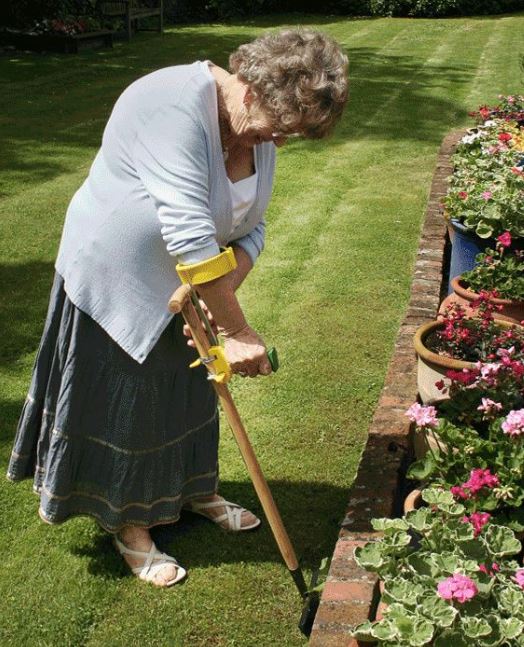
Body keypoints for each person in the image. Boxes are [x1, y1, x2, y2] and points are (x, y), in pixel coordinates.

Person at [6, 28, 348, 587]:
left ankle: (192, 492)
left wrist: (224, 296)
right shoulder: (169, 104)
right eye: (282, 128)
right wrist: (236, 331)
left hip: (196, 285)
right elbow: (190, 233)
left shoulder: (255, 131)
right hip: (118, 277)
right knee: (130, 403)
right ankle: (129, 526)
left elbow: (252, 225)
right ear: (255, 89)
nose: (280, 144)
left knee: (191, 395)